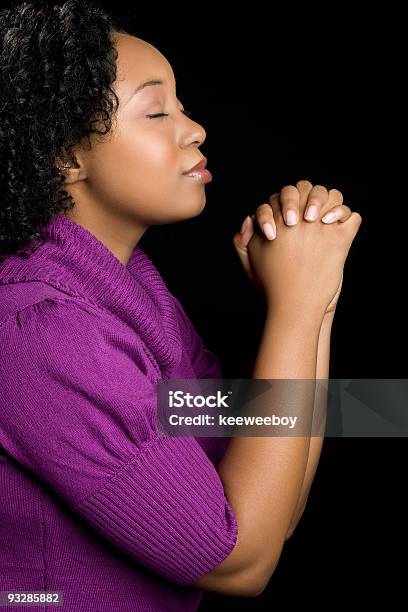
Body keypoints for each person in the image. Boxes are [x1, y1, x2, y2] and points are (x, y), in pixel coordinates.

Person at [0, 1, 362, 610]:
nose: (194, 129)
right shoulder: (40, 330)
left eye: (184, 105)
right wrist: (295, 309)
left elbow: (271, 503)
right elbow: (240, 562)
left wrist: (315, 299)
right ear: (65, 155)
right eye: (157, 110)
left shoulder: (133, 296)